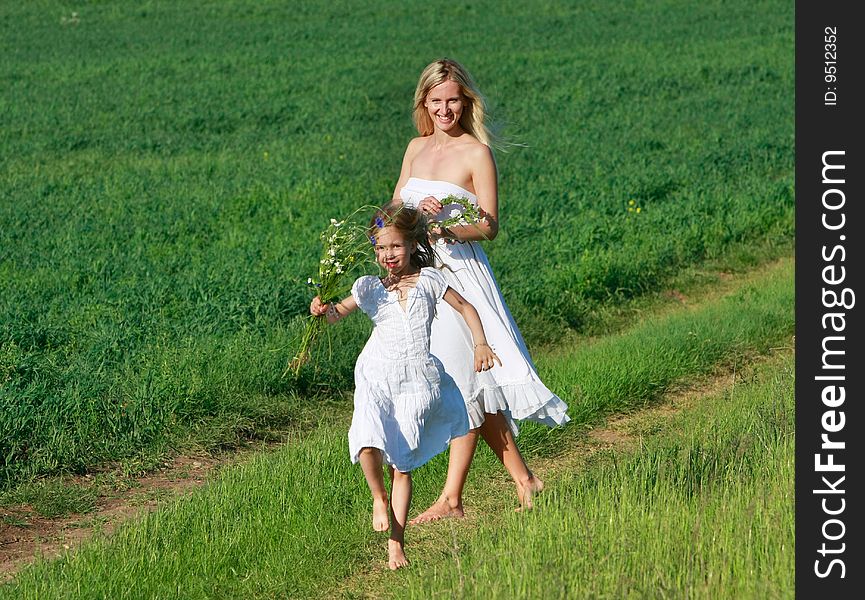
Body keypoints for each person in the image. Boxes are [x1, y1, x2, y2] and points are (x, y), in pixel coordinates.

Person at [392, 58, 571, 523]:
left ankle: (453, 497)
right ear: (424, 103)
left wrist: (446, 220)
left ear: (465, 101)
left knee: (463, 380)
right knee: (470, 385)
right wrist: (384, 233)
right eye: (436, 101)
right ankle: (524, 479)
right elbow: (391, 210)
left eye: (453, 100)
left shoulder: (476, 153)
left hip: (460, 276)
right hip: (419, 278)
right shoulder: (414, 148)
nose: (445, 109)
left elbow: (489, 226)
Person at [309, 203, 501, 570]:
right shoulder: (371, 288)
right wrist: (322, 309)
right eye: (380, 249)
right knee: (366, 441)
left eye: (395, 247)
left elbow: (466, 308)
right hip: (376, 377)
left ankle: (396, 543)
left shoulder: (430, 280)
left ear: (412, 244)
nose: (388, 256)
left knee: (402, 465)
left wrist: (480, 343)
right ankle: (378, 497)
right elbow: (336, 314)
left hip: (415, 382)